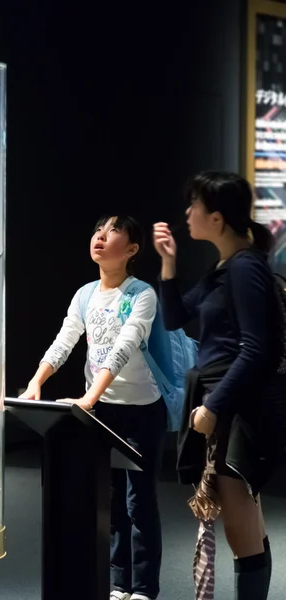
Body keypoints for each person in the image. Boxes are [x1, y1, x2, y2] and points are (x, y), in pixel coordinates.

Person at [20, 215, 167, 600]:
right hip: (102, 411)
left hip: (140, 411)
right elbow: (64, 341)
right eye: (97, 232)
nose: (100, 238)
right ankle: (119, 583)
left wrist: (89, 396)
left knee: (140, 502)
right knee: (111, 499)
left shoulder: (142, 294)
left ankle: (145, 588)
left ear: (132, 250)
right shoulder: (85, 294)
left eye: (112, 233)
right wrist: (37, 381)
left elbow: (125, 347)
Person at [153, 171, 281, 600]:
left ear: (218, 218)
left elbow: (257, 348)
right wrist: (168, 263)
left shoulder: (245, 269)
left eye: (195, 206)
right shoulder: (226, 266)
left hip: (237, 407)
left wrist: (215, 407)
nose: (188, 213)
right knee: (245, 519)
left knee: (241, 524)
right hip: (228, 401)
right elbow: (174, 318)